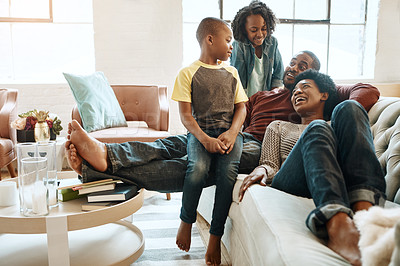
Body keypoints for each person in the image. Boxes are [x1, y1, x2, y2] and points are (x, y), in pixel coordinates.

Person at [65, 51, 381, 193]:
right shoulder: (262, 95)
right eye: (294, 63)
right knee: (181, 143)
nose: (295, 69)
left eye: (305, 67)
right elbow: (235, 118)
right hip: (239, 138)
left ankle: (101, 166)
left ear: (315, 79)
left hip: (262, 150)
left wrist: (327, 94)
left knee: (192, 167)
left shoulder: (307, 96)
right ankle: (107, 158)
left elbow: (367, 92)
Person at [238, 69, 386, 265]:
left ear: (324, 94)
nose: (297, 92)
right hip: (292, 180)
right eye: (294, 91)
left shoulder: (336, 124)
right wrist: (262, 169)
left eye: (305, 87)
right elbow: (270, 164)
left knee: (349, 107)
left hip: (331, 177)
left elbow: (365, 92)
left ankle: (364, 214)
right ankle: (338, 226)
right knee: (317, 127)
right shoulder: (278, 126)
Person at [171, 17, 248, 265]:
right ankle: (186, 220)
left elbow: (242, 109)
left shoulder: (232, 72)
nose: (231, 46)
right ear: (210, 39)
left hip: (229, 134)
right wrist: (205, 140)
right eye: (228, 40)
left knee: (227, 176)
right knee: (198, 169)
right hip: (199, 132)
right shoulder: (187, 73)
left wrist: (233, 133)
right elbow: (185, 116)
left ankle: (215, 236)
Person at [230, 0, 284, 97]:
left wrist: (271, 96)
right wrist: (246, 105)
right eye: (254, 30)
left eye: (264, 29)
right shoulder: (239, 45)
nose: (260, 34)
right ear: (244, 30)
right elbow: (238, 81)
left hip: (266, 98)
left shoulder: (273, 43)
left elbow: (278, 73)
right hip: (244, 99)